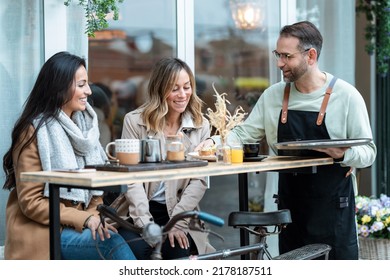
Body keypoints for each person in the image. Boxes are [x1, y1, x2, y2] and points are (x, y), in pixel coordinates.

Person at [196, 21, 377, 260]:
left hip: (333, 210)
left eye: (287, 56)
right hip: (290, 208)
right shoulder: (273, 95)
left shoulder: (347, 96)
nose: (280, 63)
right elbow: (242, 135)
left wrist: (342, 154)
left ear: (310, 56)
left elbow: (368, 152)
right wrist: (214, 144)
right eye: (277, 54)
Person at [2, 51, 136, 260]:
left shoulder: (85, 129)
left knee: (139, 238)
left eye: (87, 84)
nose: (89, 91)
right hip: (47, 231)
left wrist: (92, 214)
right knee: (111, 243)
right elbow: (31, 201)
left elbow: (97, 188)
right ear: (59, 87)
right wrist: (84, 218)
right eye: (81, 85)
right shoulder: (33, 131)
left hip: (81, 222)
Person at [110, 57, 215, 260]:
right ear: (160, 89)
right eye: (174, 89)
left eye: (187, 87)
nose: (183, 95)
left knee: (178, 252)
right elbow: (131, 178)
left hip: (179, 211)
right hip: (136, 212)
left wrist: (178, 222)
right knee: (139, 253)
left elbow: (199, 180)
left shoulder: (201, 125)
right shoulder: (135, 121)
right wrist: (146, 224)